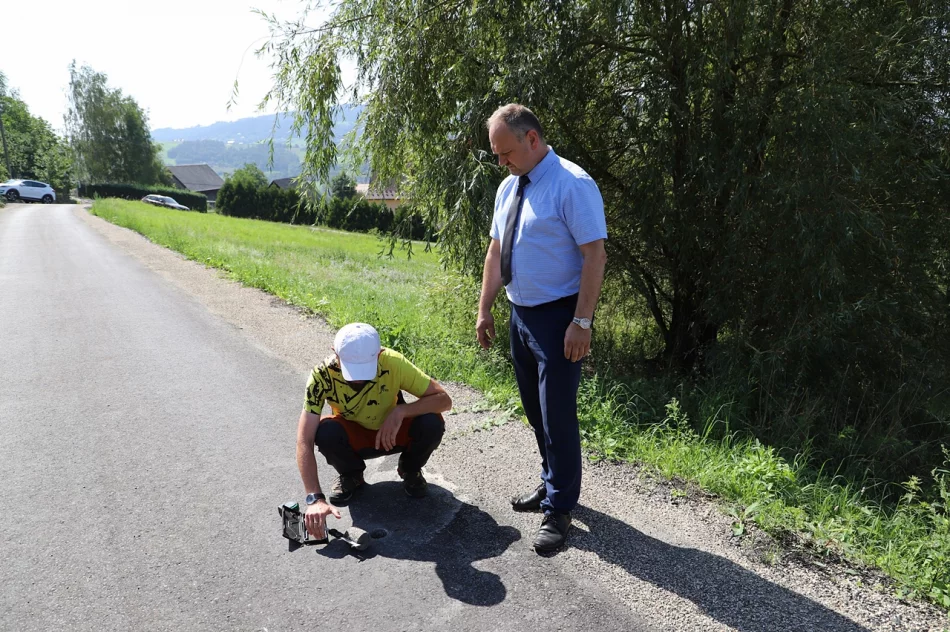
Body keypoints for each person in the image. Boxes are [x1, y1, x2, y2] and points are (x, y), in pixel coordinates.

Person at [476, 104, 607, 553]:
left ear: (532, 139)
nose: (502, 162)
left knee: (557, 416)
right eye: (497, 155)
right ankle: (551, 483)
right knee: (535, 412)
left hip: (559, 318)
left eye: (506, 152)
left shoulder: (572, 184)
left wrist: (581, 322)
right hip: (521, 314)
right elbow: (497, 250)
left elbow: (595, 256)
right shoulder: (508, 186)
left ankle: (560, 509)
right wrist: (486, 308)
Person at [296, 322, 453, 540]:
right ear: (335, 353)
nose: (358, 379)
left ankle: (410, 469)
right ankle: (352, 475)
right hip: (356, 437)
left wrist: (400, 411)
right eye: (351, 368)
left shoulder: (393, 362)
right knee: (325, 431)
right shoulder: (321, 376)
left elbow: (444, 400)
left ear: (379, 354)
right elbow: (304, 439)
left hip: (393, 433)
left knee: (432, 422)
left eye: (365, 369)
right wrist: (315, 499)